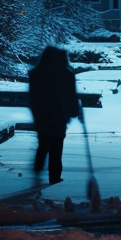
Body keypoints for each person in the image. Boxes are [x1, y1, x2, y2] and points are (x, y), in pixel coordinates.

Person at [28, 46, 80, 184]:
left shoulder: (36, 73)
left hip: (41, 116)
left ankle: (38, 167)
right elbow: (71, 96)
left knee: (43, 142)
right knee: (57, 147)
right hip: (59, 116)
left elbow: (33, 97)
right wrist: (74, 111)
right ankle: (55, 176)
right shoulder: (66, 73)